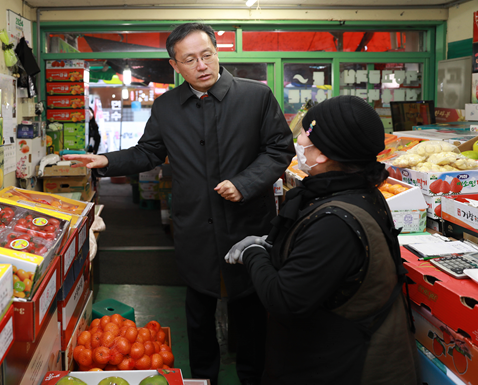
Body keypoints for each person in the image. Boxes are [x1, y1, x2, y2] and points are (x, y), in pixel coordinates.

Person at [65, 23, 294, 385]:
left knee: (250, 309)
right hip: (195, 224)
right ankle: (203, 378)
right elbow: (150, 152)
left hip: (248, 222)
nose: (202, 65)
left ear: (217, 53)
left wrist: (245, 183)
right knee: (199, 310)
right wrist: (105, 161)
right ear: (176, 65)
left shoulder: (255, 97)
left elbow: (280, 149)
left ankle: (252, 376)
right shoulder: (168, 105)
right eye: (190, 60)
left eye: (207, 55)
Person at [225, 95, 420, 384]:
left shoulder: (334, 223)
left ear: (323, 155)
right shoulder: (358, 191)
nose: (299, 140)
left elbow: (283, 300)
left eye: (304, 133)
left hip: (341, 367)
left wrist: (254, 252)